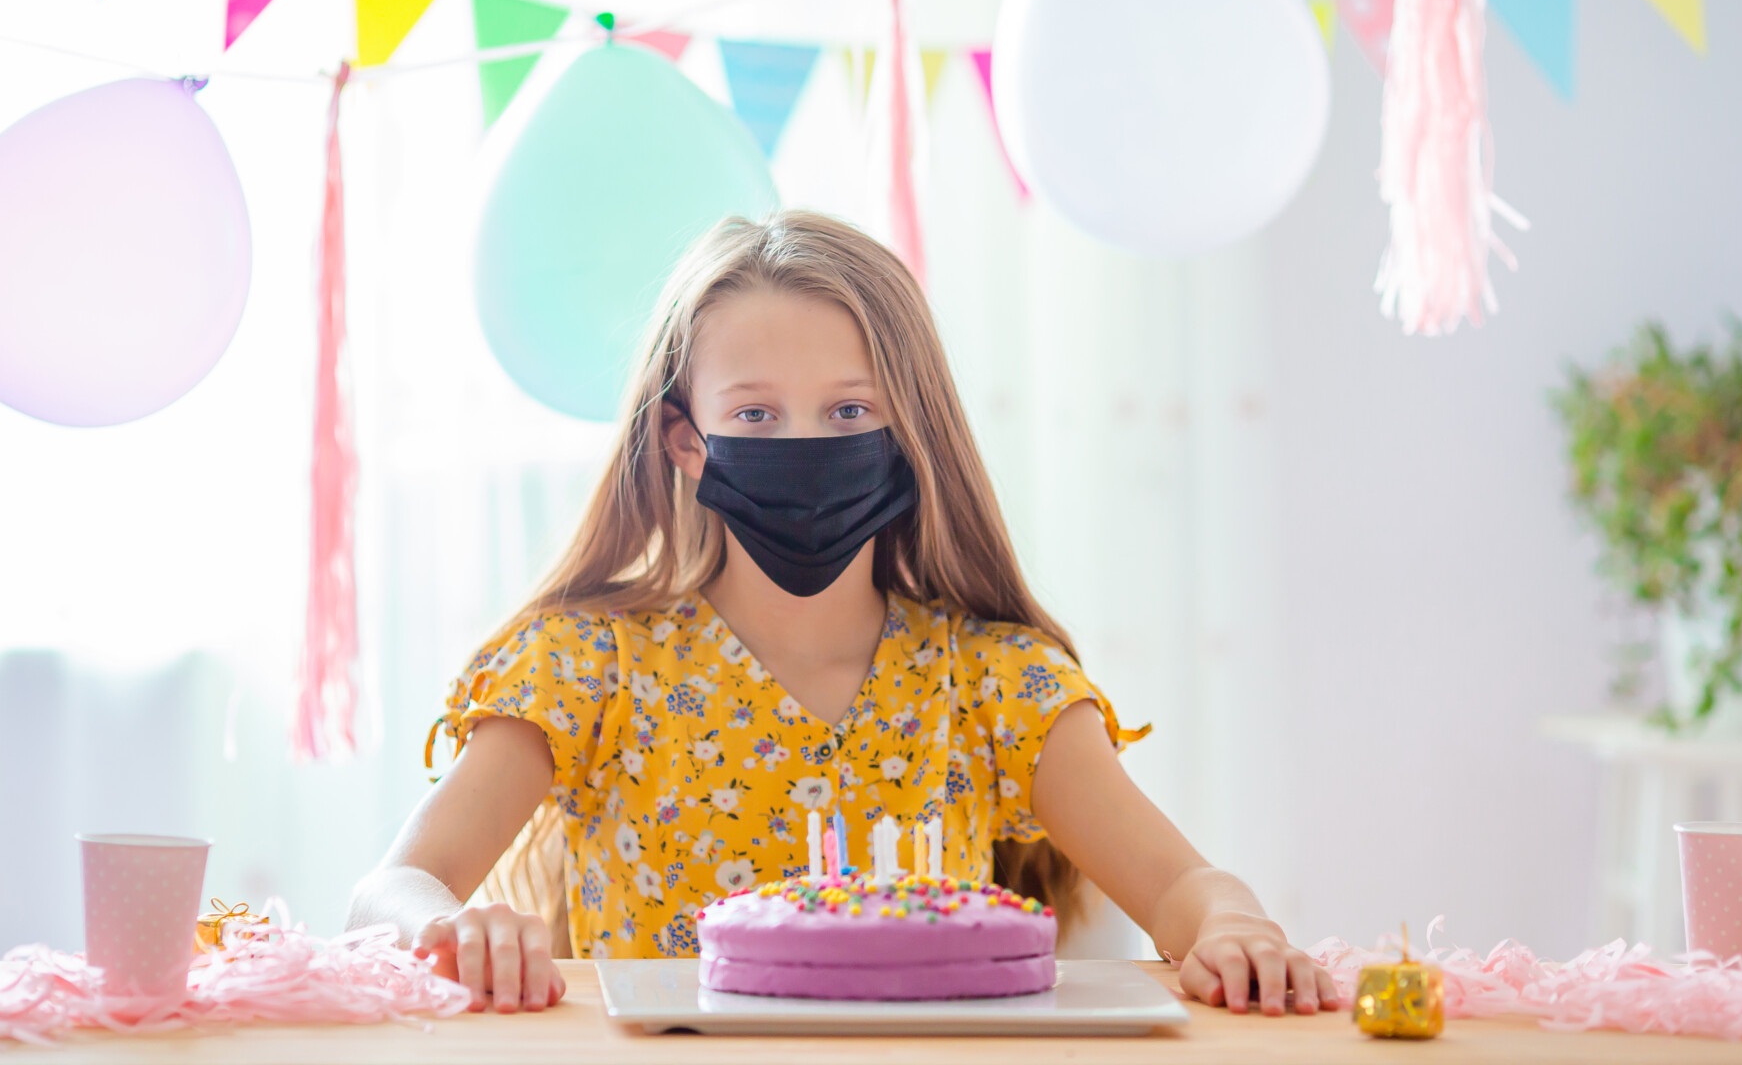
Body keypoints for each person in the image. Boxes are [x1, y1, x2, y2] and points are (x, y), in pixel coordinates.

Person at [348, 210, 1334, 1017]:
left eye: (851, 411)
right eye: (758, 414)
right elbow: (389, 889)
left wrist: (1238, 926)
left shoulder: (996, 679)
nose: (807, 441)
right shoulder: (586, 663)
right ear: (686, 440)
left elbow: (1179, 890)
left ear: (909, 430)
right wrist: (446, 925)